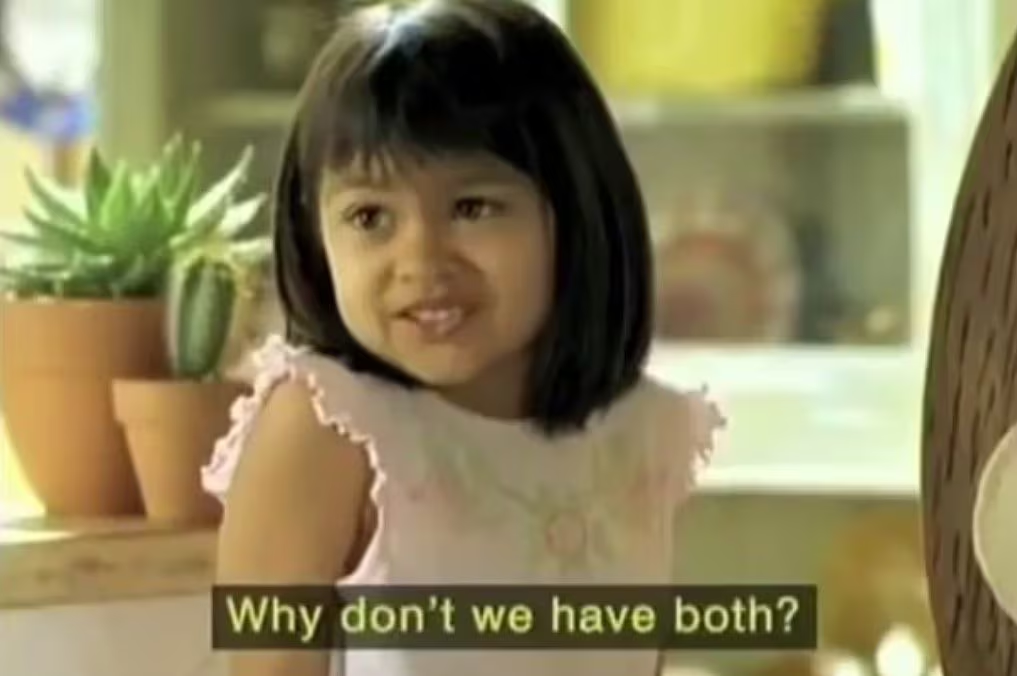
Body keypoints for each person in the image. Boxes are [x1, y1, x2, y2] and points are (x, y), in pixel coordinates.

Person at [202, 1, 725, 674]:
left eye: (472, 207)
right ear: (315, 236)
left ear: (575, 211)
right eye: (369, 217)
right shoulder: (328, 429)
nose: (421, 261)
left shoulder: (645, 434)